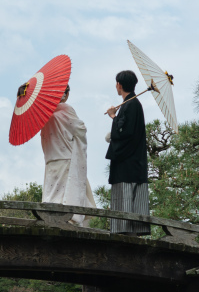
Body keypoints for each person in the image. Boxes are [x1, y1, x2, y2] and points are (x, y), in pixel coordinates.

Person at [38, 85, 97, 225]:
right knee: (66, 194)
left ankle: (50, 221)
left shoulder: (43, 113)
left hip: (51, 159)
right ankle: (69, 222)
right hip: (65, 157)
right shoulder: (65, 109)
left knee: (52, 194)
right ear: (65, 94)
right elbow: (80, 129)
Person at [105, 70, 150, 235]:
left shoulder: (130, 104)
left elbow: (124, 132)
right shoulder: (133, 104)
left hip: (126, 163)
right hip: (135, 162)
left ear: (119, 85)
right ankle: (133, 231)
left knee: (125, 198)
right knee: (135, 200)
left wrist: (113, 117)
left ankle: (124, 232)